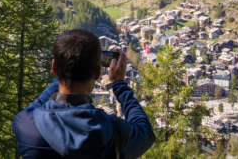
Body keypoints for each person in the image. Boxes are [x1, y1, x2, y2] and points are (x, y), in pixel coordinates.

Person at [12, 29, 155, 159]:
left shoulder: (27, 126)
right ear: (98, 72)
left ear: (54, 68)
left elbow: (35, 105)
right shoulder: (114, 131)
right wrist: (119, 84)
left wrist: (66, 69)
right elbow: (145, 131)